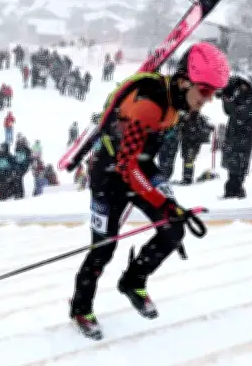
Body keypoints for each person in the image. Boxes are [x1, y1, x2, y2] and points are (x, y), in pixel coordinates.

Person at [69, 42, 230, 340]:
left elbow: (141, 160)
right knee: (103, 249)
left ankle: (133, 280)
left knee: (173, 229)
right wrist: (161, 200)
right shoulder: (147, 103)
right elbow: (126, 165)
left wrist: (166, 205)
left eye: (213, 93)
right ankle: (80, 308)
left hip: (140, 166)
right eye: (205, 91)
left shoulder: (177, 100)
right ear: (184, 80)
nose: (208, 100)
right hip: (110, 174)